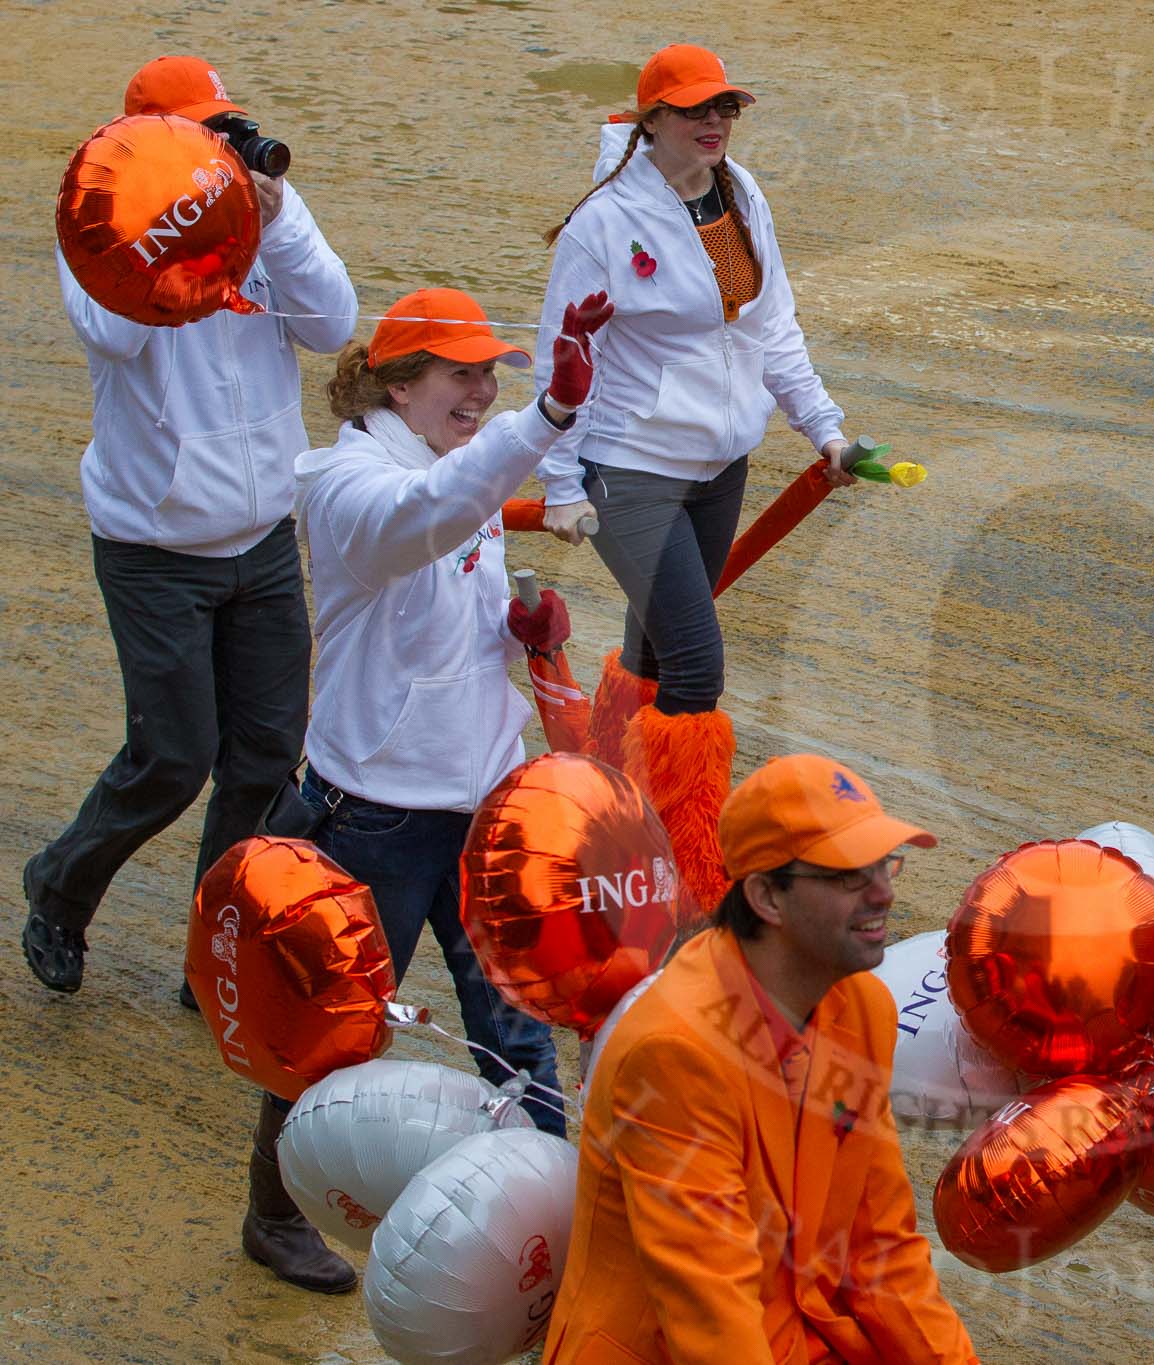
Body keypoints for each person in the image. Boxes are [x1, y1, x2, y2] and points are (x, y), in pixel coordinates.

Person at [23, 55, 356, 995]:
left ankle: (214, 953)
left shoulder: (266, 212)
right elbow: (118, 334)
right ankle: (59, 884)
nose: (224, 147)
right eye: (203, 132)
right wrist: (182, 226)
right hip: (152, 545)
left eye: (228, 127)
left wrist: (275, 219)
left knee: (261, 758)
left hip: (259, 538)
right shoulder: (95, 220)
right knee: (172, 757)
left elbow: (332, 326)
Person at [533, 42, 858, 917]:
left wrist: (823, 428)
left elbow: (773, 327)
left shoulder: (743, 195)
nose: (715, 123)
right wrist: (560, 483)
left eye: (726, 109)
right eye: (694, 111)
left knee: (653, 646)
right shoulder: (605, 223)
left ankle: (605, 798)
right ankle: (685, 878)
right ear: (651, 120)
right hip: (628, 468)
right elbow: (565, 352)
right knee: (697, 666)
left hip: (720, 466)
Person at [295, 286, 613, 1144]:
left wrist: (516, 636)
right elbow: (426, 517)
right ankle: (276, 1212)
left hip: (481, 799)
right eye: (460, 373)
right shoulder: (347, 486)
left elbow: (450, 583)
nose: (481, 393)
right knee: (340, 1031)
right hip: (378, 810)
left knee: (518, 1031)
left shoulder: (454, 460)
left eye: (491, 375)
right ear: (399, 386)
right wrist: (545, 415)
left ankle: (554, 1205)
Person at [546, 754, 977, 1364]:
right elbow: (711, 1311)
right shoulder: (674, 1053)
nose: (884, 893)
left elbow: (880, 1246)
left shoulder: (863, 1008)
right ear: (767, 897)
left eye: (885, 864)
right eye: (850, 875)